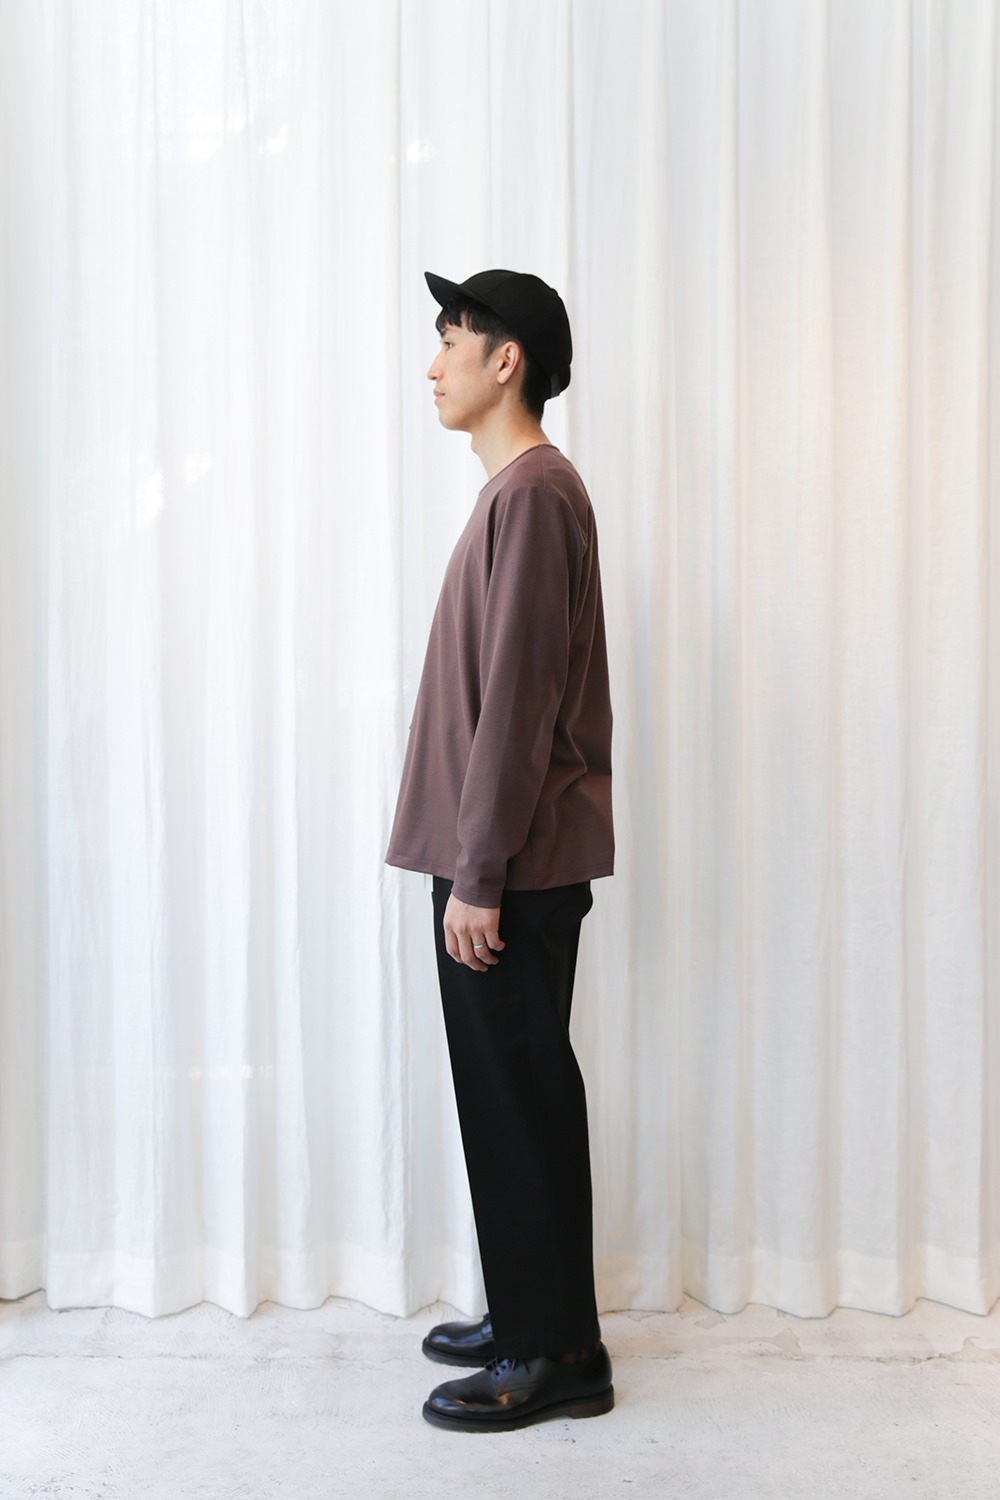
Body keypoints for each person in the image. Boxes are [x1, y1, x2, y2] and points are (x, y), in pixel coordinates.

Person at [385, 268, 615, 1432]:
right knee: (510, 1096)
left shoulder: (530, 497)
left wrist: (477, 877)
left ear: (505, 358)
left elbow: (517, 705)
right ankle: (536, 1314)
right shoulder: (521, 494)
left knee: (519, 1100)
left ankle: (552, 1354)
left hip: (510, 870)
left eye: (451, 341)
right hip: (503, 861)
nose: (434, 367)